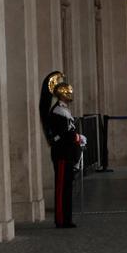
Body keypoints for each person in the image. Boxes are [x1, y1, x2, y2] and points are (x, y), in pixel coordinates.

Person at [39, 71, 85, 228]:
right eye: (68, 92)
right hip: (62, 153)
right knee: (61, 187)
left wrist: (77, 137)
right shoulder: (58, 111)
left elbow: (69, 130)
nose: (70, 94)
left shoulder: (63, 109)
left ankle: (67, 217)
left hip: (68, 152)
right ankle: (61, 219)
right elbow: (64, 133)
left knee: (67, 187)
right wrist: (77, 138)